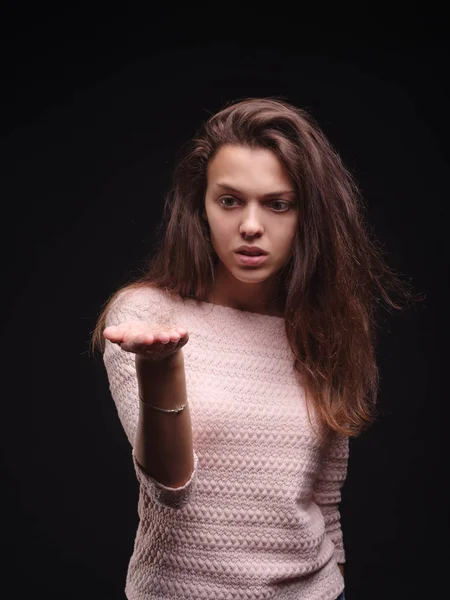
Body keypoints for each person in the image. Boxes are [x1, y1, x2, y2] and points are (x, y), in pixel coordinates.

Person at [91, 97, 423, 600]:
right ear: (200, 206)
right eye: (229, 201)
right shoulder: (142, 315)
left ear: (307, 216)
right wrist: (160, 365)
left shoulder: (326, 330)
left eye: (277, 203)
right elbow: (169, 488)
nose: (250, 225)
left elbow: (325, 505)